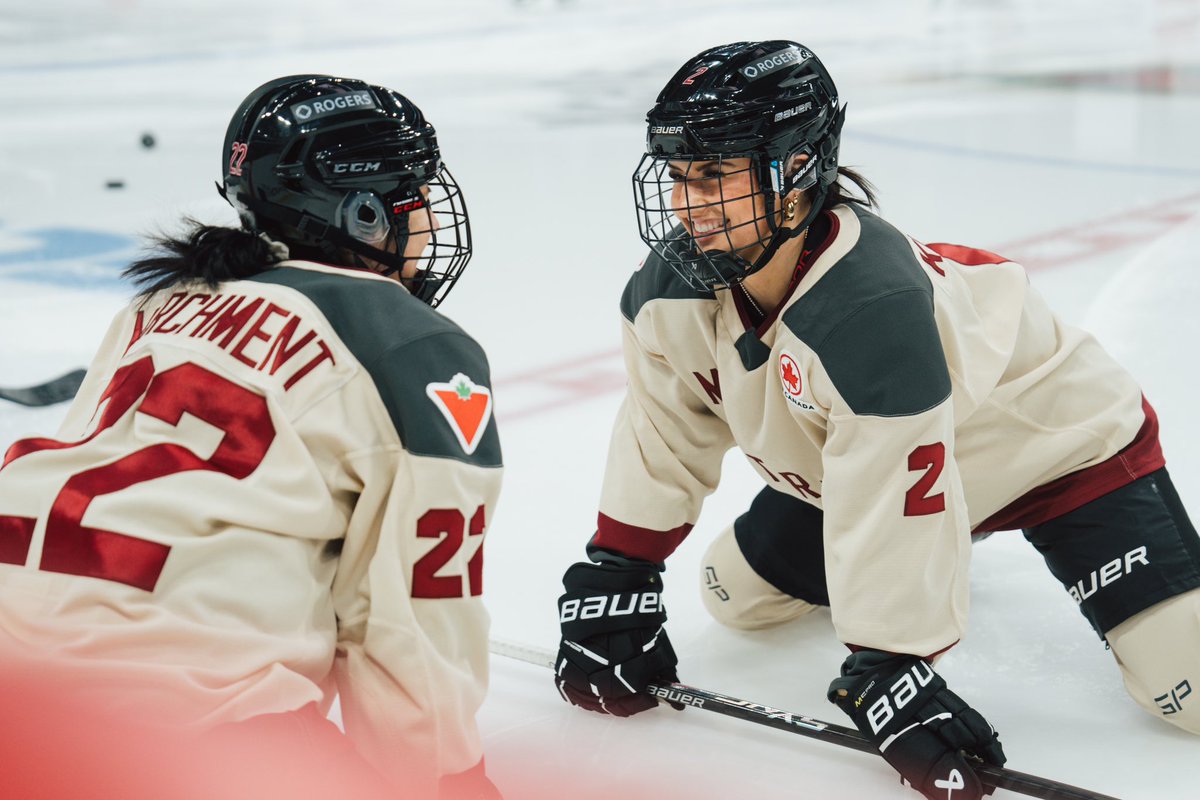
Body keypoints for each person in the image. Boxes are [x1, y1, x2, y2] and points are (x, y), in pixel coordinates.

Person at [553, 40, 1200, 800]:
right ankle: (949, 544)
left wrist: (890, 662)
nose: (688, 205)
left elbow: (900, 492)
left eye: (715, 174)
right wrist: (620, 567)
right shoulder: (671, 288)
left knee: (1187, 690)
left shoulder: (869, 308)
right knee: (735, 595)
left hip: (1055, 453)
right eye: (679, 175)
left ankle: (963, 545)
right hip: (879, 464)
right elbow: (663, 428)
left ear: (795, 168)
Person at [0, 75, 502, 800]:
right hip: (175, 723)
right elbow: (413, 621)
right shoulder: (408, 342)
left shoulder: (157, 305)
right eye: (414, 195)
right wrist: (450, 780)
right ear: (362, 211)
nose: (427, 219)